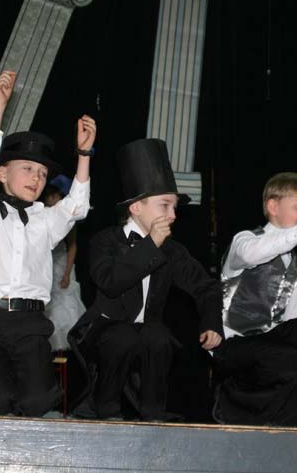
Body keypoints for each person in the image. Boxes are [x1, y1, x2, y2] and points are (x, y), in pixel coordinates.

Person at [0, 71, 94, 417]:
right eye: (27, 169)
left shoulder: (45, 220)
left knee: (37, 403)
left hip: (31, 324)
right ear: (3, 173)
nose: (36, 178)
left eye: (42, 174)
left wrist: (84, 154)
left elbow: (77, 206)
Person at [69, 138, 223, 421]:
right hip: (104, 328)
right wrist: (150, 245)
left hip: (147, 331)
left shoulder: (173, 250)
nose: (173, 215)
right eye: (165, 205)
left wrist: (212, 322)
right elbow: (110, 282)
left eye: (175, 207)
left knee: (158, 336)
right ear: (136, 207)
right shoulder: (105, 240)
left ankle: (153, 416)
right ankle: (105, 409)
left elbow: (206, 287)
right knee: (123, 336)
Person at [213, 172, 297, 426]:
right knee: (283, 358)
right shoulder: (245, 240)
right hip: (233, 345)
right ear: (273, 206)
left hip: (270, 345)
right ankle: (230, 406)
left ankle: (296, 425)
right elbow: (253, 255)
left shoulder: (296, 267)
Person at [42, 175, 86, 352]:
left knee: (63, 303)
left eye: (55, 196)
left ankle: (63, 344)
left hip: (61, 263)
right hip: (44, 263)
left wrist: (67, 272)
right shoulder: (41, 214)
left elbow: (73, 245)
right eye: (49, 196)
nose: (51, 199)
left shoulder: (67, 218)